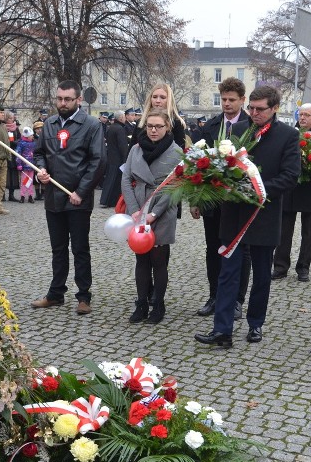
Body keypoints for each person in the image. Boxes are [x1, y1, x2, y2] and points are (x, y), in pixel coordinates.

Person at [195, 86, 300, 347]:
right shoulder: (239, 131)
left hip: (264, 213)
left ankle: (255, 324)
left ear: (274, 108)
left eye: (260, 109)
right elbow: (225, 166)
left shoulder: (288, 136)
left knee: (262, 273)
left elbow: (290, 176)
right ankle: (222, 330)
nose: (254, 113)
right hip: (233, 214)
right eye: (251, 108)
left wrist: (257, 189)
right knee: (228, 272)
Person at [31, 80, 106, 315]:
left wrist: (81, 192)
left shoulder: (92, 125)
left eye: (67, 99)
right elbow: (39, 153)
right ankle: (56, 293)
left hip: (77, 198)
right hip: (54, 197)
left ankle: (84, 296)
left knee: (80, 248)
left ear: (78, 100)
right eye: (59, 99)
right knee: (58, 248)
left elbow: (98, 161)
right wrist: (40, 171)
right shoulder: (50, 125)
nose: (62, 103)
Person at [191, 76, 252, 319]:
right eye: (223, 99)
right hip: (213, 198)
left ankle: (237, 299)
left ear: (242, 100)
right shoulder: (212, 125)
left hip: (239, 199)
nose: (226, 104)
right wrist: (196, 199)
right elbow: (196, 161)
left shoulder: (250, 126)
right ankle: (215, 295)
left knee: (240, 249)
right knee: (213, 248)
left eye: (231, 100)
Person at [121, 109, 183, 324]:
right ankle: (141, 303)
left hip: (162, 209)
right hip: (138, 207)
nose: (153, 130)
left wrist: (154, 213)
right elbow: (126, 179)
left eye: (158, 126)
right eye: (149, 126)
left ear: (167, 128)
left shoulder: (175, 151)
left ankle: (158, 304)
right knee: (141, 258)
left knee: (158, 260)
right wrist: (134, 210)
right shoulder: (136, 149)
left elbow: (176, 184)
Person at [272, 103, 311, 282]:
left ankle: (303, 268)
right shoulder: (289, 133)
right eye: (300, 114)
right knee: (284, 229)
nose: (302, 118)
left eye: (307, 115)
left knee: (308, 232)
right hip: (290, 189)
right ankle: (280, 266)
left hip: (310, 188)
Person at [136, 83, 186, 148]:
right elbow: (132, 150)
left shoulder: (176, 123)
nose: (158, 101)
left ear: (169, 100)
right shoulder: (141, 122)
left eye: (162, 97)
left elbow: (179, 152)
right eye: (154, 97)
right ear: (150, 99)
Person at [99, 109, 129, 208]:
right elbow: (123, 146)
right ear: (120, 118)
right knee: (115, 181)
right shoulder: (120, 129)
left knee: (110, 179)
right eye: (124, 117)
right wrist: (126, 159)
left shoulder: (111, 127)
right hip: (118, 159)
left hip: (111, 157)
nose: (125, 118)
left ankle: (107, 200)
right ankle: (111, 200)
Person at [16, 126, 37, 203]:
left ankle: (30, 196)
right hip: (24, 166)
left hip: (31, 165)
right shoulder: (21, 144)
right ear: (27, 136)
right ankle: (22, 195)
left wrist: (36, 163)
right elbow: (18, 154)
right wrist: (19, 164)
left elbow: (36, 154)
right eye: (31, 135)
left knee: (30, 181)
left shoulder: (34, 144)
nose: (32, 136)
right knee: (24, 181)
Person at [33, 120, 46, 200]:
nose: (39, 130)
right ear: (35, 130)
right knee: (35, 179)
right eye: (37, 128)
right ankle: (37, 194)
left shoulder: (45, 137)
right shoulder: (32, 138)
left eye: (41, 128)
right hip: (34, 159)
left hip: (43, 159)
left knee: (43, 176)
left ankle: (43, 193)